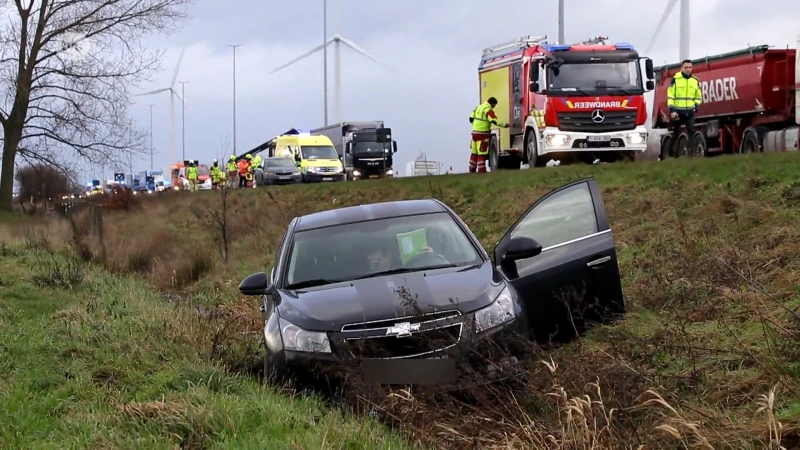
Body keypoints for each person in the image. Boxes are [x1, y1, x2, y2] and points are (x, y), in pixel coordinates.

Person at [667, 59, 702, 158]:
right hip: (678, 112)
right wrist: (672, 110)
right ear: (681, 68)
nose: (688, 69)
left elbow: (698, 96)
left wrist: (696, 106)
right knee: (676, 134)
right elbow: (670, 96)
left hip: (690, 111)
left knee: (691, 132)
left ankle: (692, 155)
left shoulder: (695, 81)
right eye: (686, 67)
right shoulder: (675, 79)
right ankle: (671, 156)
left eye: (690, 67)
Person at [469, 97, 508, 173]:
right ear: (492, 103)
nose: (494, 107)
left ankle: (471, 170)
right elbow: (494, 120)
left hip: (474, 134)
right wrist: (505, 125)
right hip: (482, 135)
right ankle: (482, 171)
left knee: (474, 153)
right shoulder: (488, 110)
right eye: (494, 105)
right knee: (482, 154)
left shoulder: (478, 107)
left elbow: (470, 118)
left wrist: (475, 125)